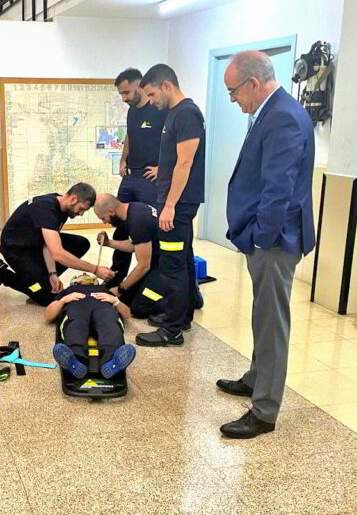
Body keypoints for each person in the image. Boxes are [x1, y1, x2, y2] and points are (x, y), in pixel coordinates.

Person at [217, 50, 315, 439]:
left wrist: (261, 238)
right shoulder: (273, 112)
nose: (233, 99)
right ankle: (256, 378)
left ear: (253, 83)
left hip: (274, 241)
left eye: (234, 91)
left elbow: (280, 188)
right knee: (263, 315)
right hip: (266, 238)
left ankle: (264, 410)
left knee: (272, 323)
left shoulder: (284, 117)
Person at [135, 64, 205, 348]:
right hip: (175, 202)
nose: (150, 101)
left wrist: (169, 206)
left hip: (178, 205)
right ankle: (182, 316)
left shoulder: (186, 113)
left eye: (151, 94)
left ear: (166, 85)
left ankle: (172, 330)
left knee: (172, 264)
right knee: (184, 260)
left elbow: (185, 162)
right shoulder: (175, 114)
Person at [0, 183, 115, 306]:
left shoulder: (62, 208)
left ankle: (42, 278)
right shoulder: (47, 208)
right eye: (82, 209)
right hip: (16, 249)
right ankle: (1, 273)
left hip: (34, 244)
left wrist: (52, 273)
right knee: (46, 297)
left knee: (81, 244)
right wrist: (95, 269)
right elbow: (57, 253)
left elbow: (47, 244)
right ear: (73, 199)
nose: (81, 214)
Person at [108, 68, 168, 289]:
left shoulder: (159, 108)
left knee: (146, 230)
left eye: (126, 92)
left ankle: (146, 281)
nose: (124, 99)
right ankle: (116, 276)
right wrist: (123, 160)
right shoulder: (132, 111)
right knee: (120, 225)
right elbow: (129, 136)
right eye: (121, 94)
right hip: (131, 176)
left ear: (139, 85)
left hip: (149, 179)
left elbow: (175, 142)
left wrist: (163, 168)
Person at [93, 193, 174, 319]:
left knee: (140, 308)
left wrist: (120, 288)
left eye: (103, 218)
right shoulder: (134, 209)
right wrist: (109, 243)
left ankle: (180, 300)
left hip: (166, 266)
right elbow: (136, 245)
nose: (104, 222)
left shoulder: (138, 221)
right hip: (156, 261)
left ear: (111, 211)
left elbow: (143, 266)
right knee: (126, 299)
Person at [45, 274, 136, 379]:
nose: (84, 274)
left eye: (87, 274)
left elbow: (127, 314)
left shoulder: (104, 289)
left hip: (103, 307)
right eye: (80, 275)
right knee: (76, 323)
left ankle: (111, 363)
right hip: (76, 306)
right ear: (74, 281)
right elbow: (48, 315)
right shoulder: (69, 290)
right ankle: (75, 362)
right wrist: (63, 300)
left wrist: (116, 301)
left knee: (110, 321)